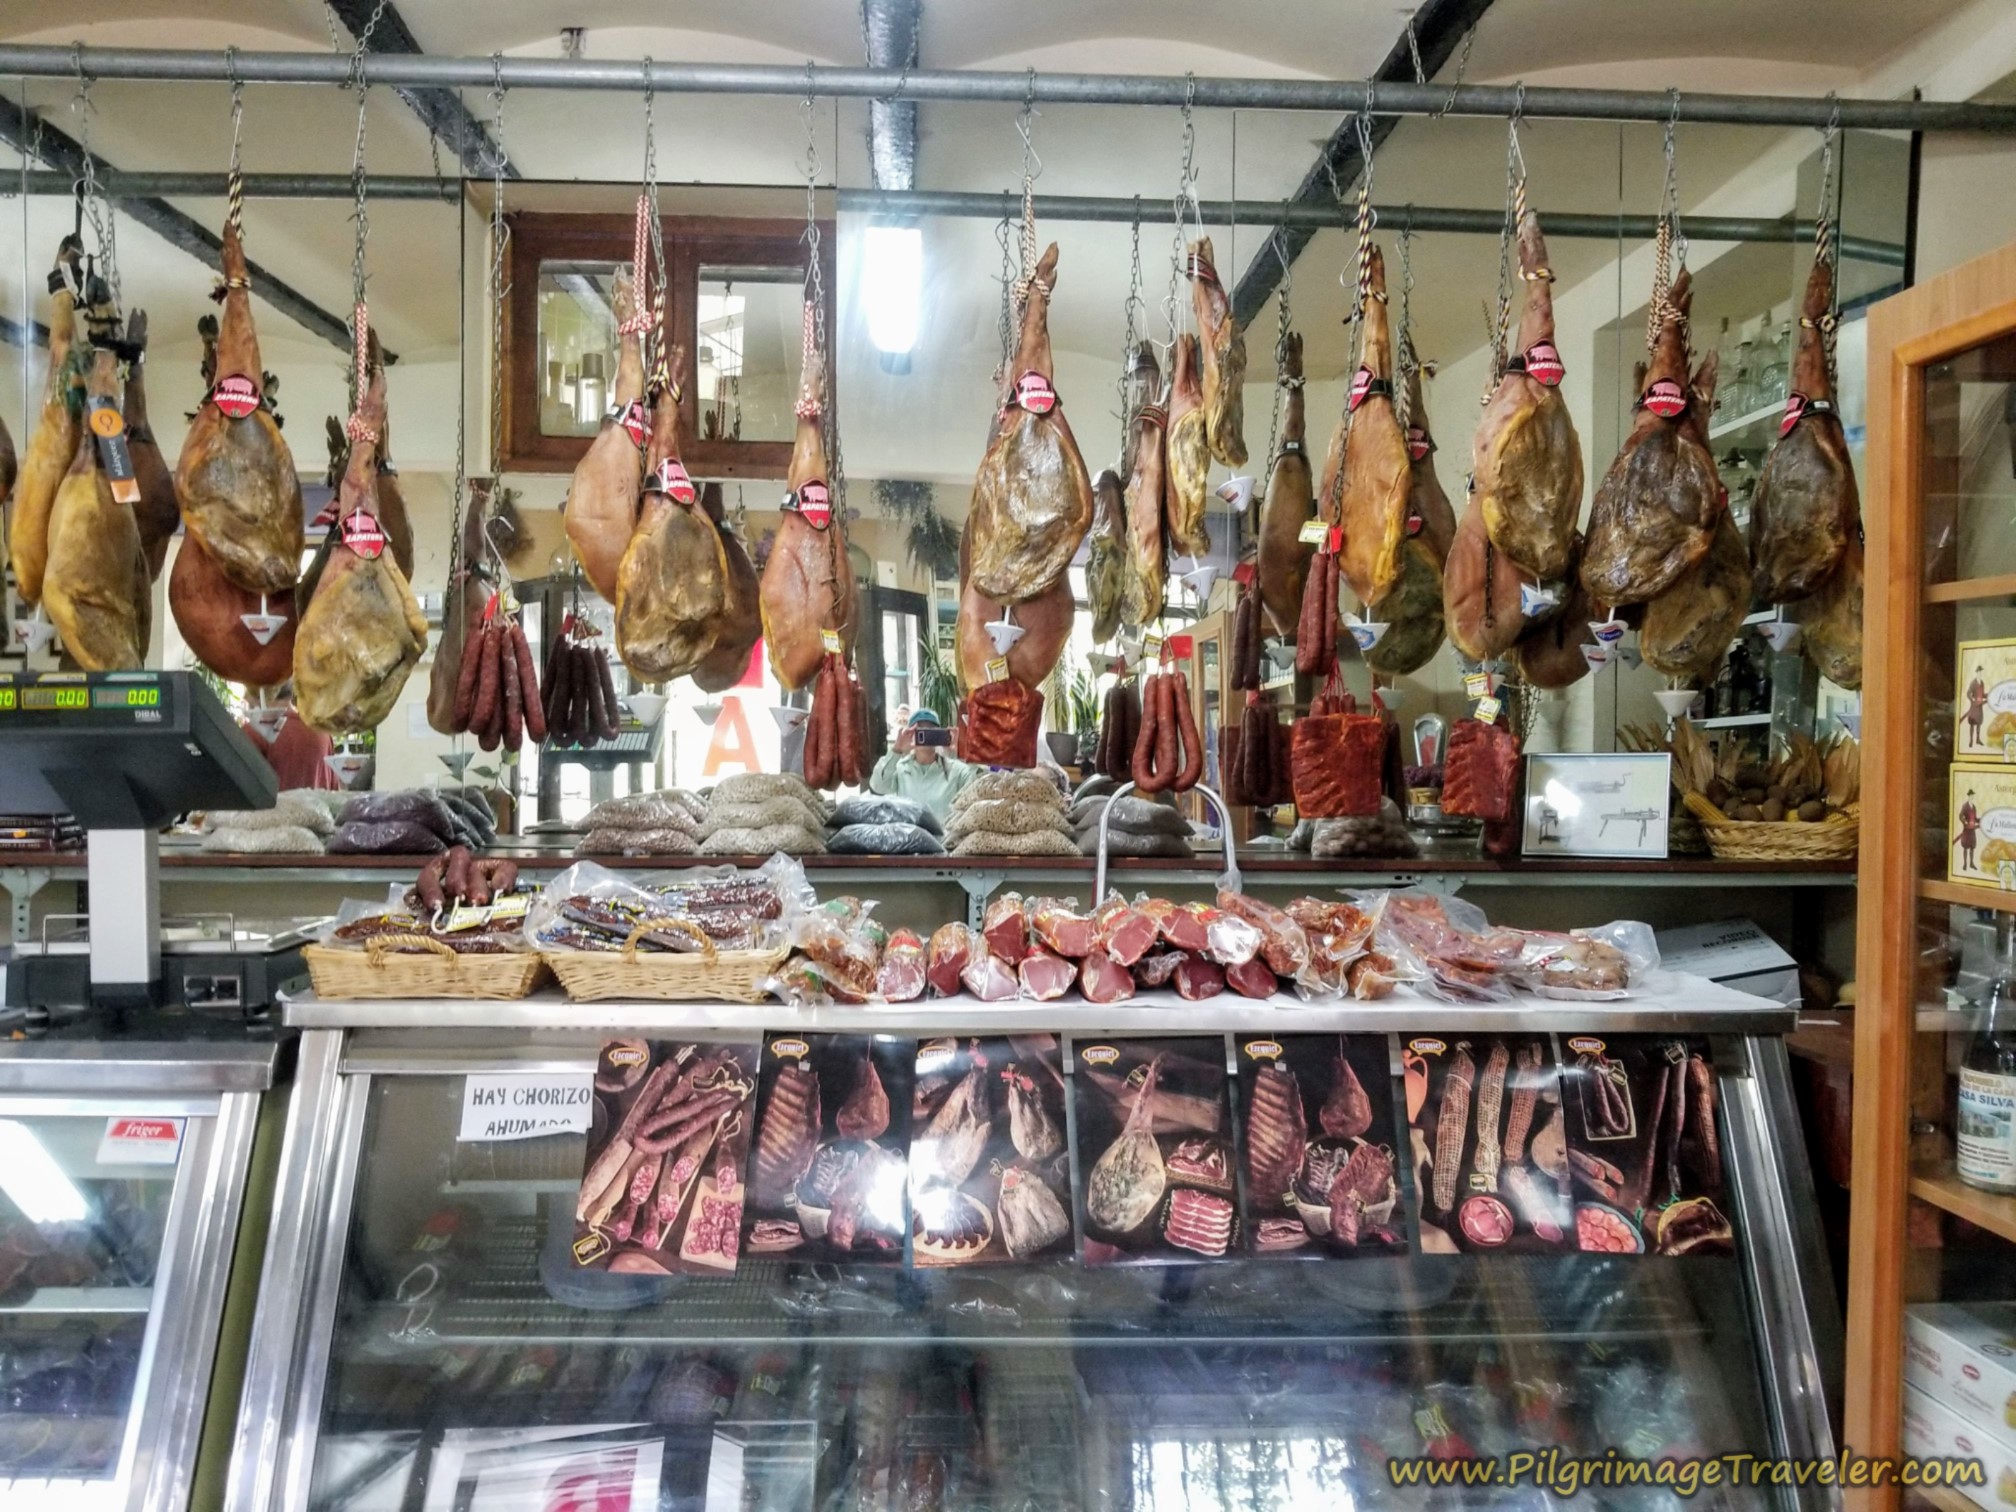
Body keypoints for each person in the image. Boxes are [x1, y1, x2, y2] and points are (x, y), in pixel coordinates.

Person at [870, 709, 975, 822]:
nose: (925, 735)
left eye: (931, 730)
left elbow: (979, 786)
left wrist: (963, 752)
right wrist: (896, 750)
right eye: (919, 730)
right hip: (909, 837)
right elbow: (878, 787)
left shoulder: (955, 769)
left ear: (940, 734)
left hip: (945, 839)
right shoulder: (900, 769)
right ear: (910, 734)